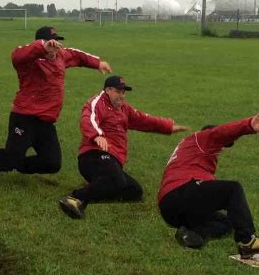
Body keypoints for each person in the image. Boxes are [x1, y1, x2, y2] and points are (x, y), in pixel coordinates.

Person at [0, 26, 112, 175]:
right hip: (24, 118)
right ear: (41, 43)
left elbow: (77, 55)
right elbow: (17, 55)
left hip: (46, 122)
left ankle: (8, 163)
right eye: (50, 43)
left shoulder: (61, 56)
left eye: (56, 43)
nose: (54, 47)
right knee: (12, 157)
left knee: (52, 163)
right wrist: (42, 47)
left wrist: (97, 63)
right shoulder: (28, 61)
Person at [59, 75, 190, 219]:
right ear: (108, 90)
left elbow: (143, 120)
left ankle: (90, 193)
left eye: (123, 92)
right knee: (117, 181)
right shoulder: (98, 102)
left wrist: (168, 127)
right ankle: (74, 197)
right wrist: (97, 135)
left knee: (134, 192)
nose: (122, 95)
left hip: (112, 160)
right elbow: (88, 118)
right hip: (93, 156)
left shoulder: (124, 109)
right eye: (118, 91)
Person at [158, 111, 259, 259]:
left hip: (171, 208)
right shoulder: (201, 138)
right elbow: (220, 133)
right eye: (222, 144)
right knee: (232, 189)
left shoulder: (190, 151)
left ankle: (191, 234)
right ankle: (247, 242)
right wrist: (249, 125)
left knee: (228, 221)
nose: (221, 149)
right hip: (180, 192)